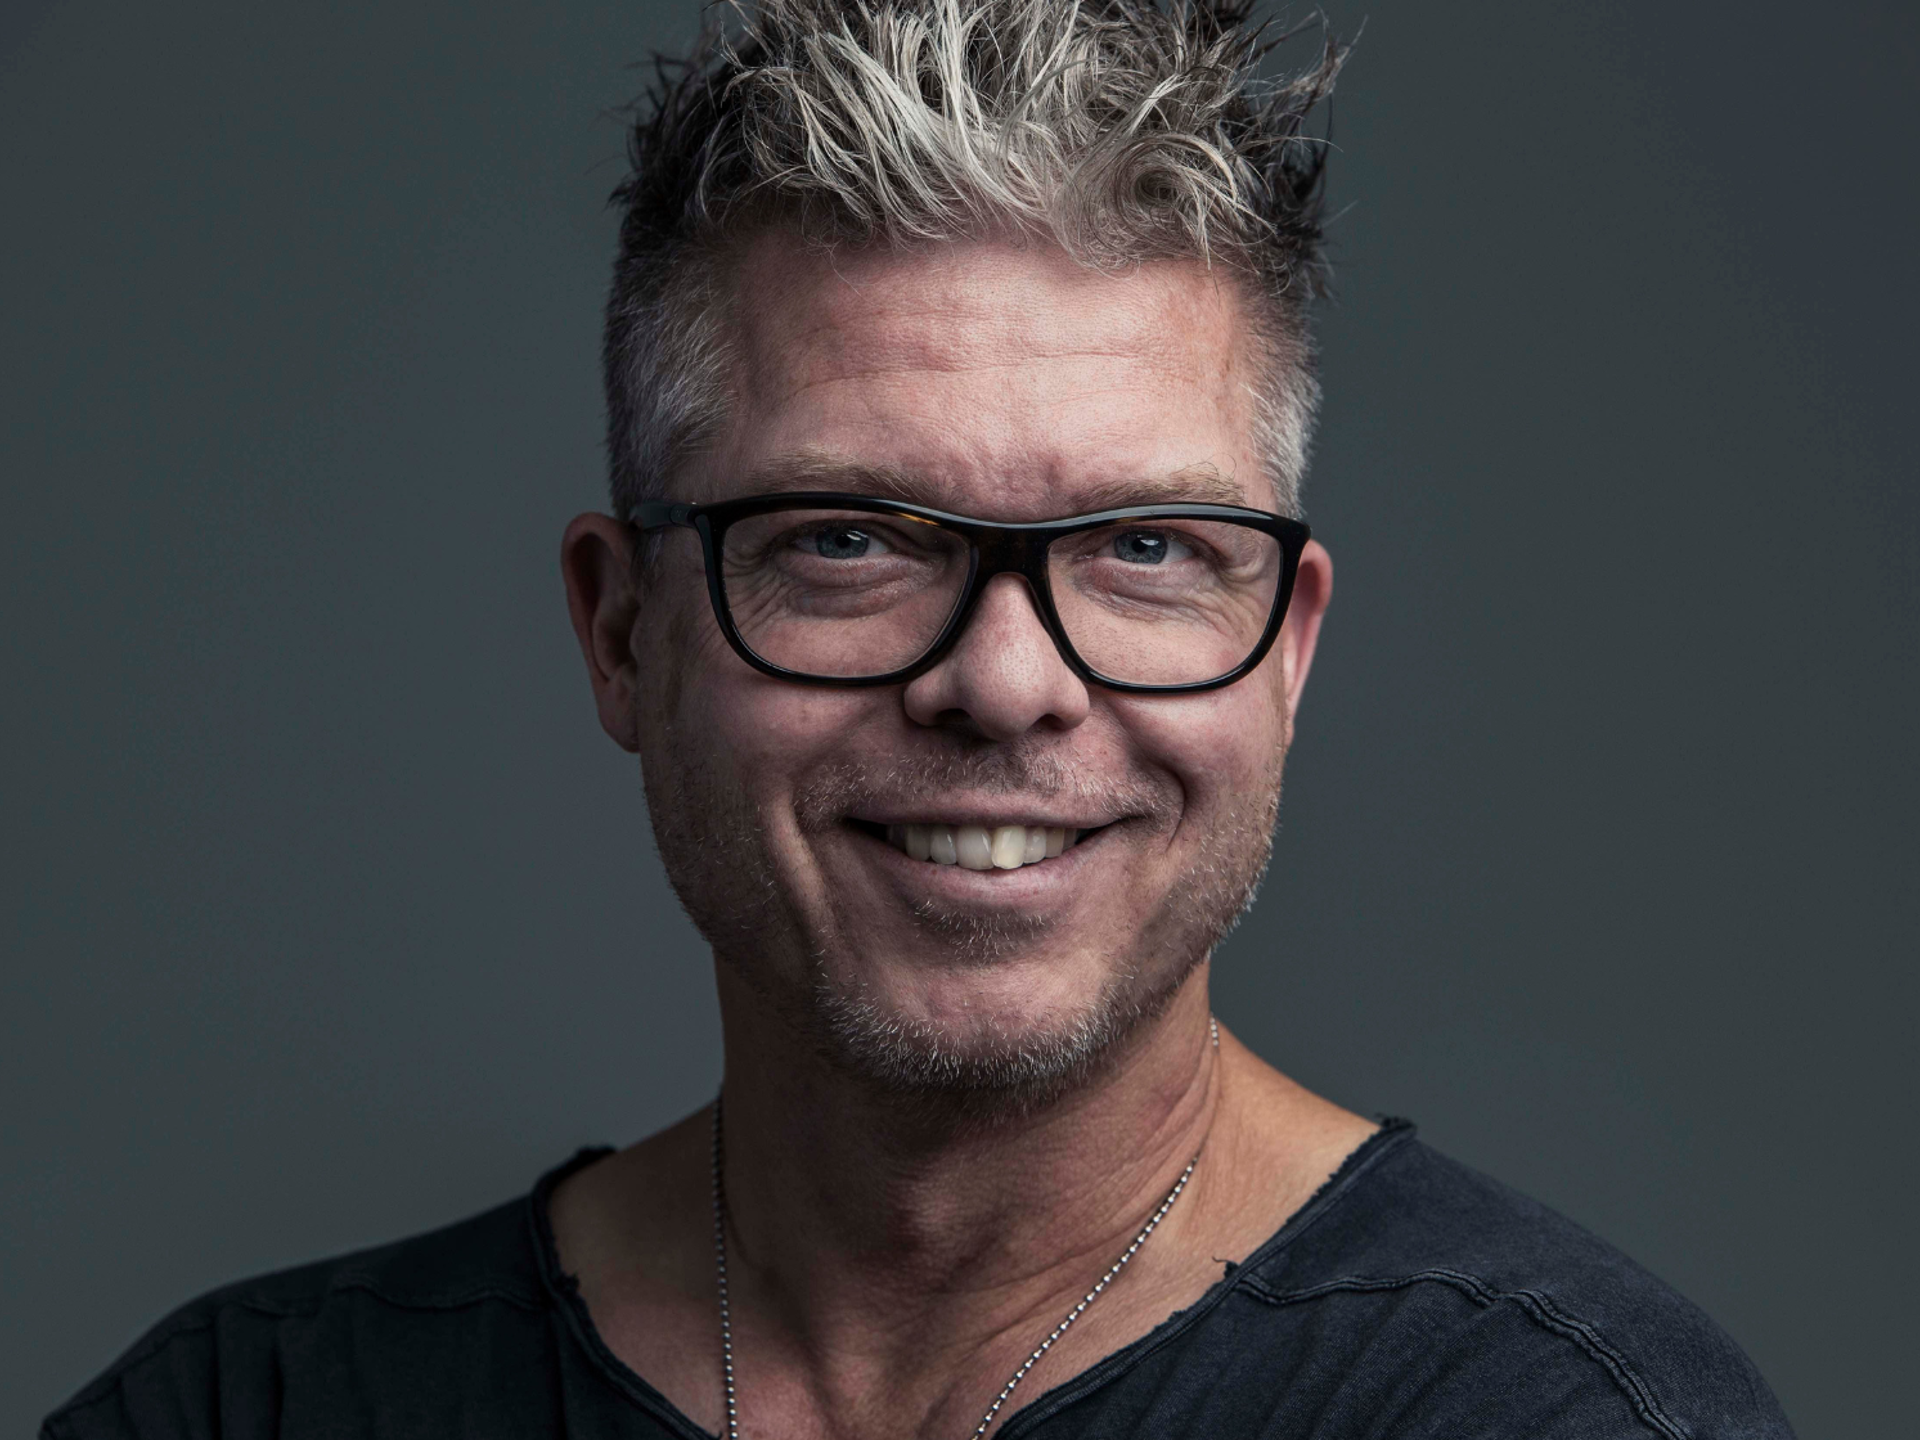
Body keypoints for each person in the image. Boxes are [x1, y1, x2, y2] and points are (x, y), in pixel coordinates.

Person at [44, 3, 1795, 1436]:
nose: (1008, 683)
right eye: (850, 540)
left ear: (1286, 651)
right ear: (621, 631)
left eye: (1147, 549)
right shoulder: (248, 1412)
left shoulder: (1555, 1416)